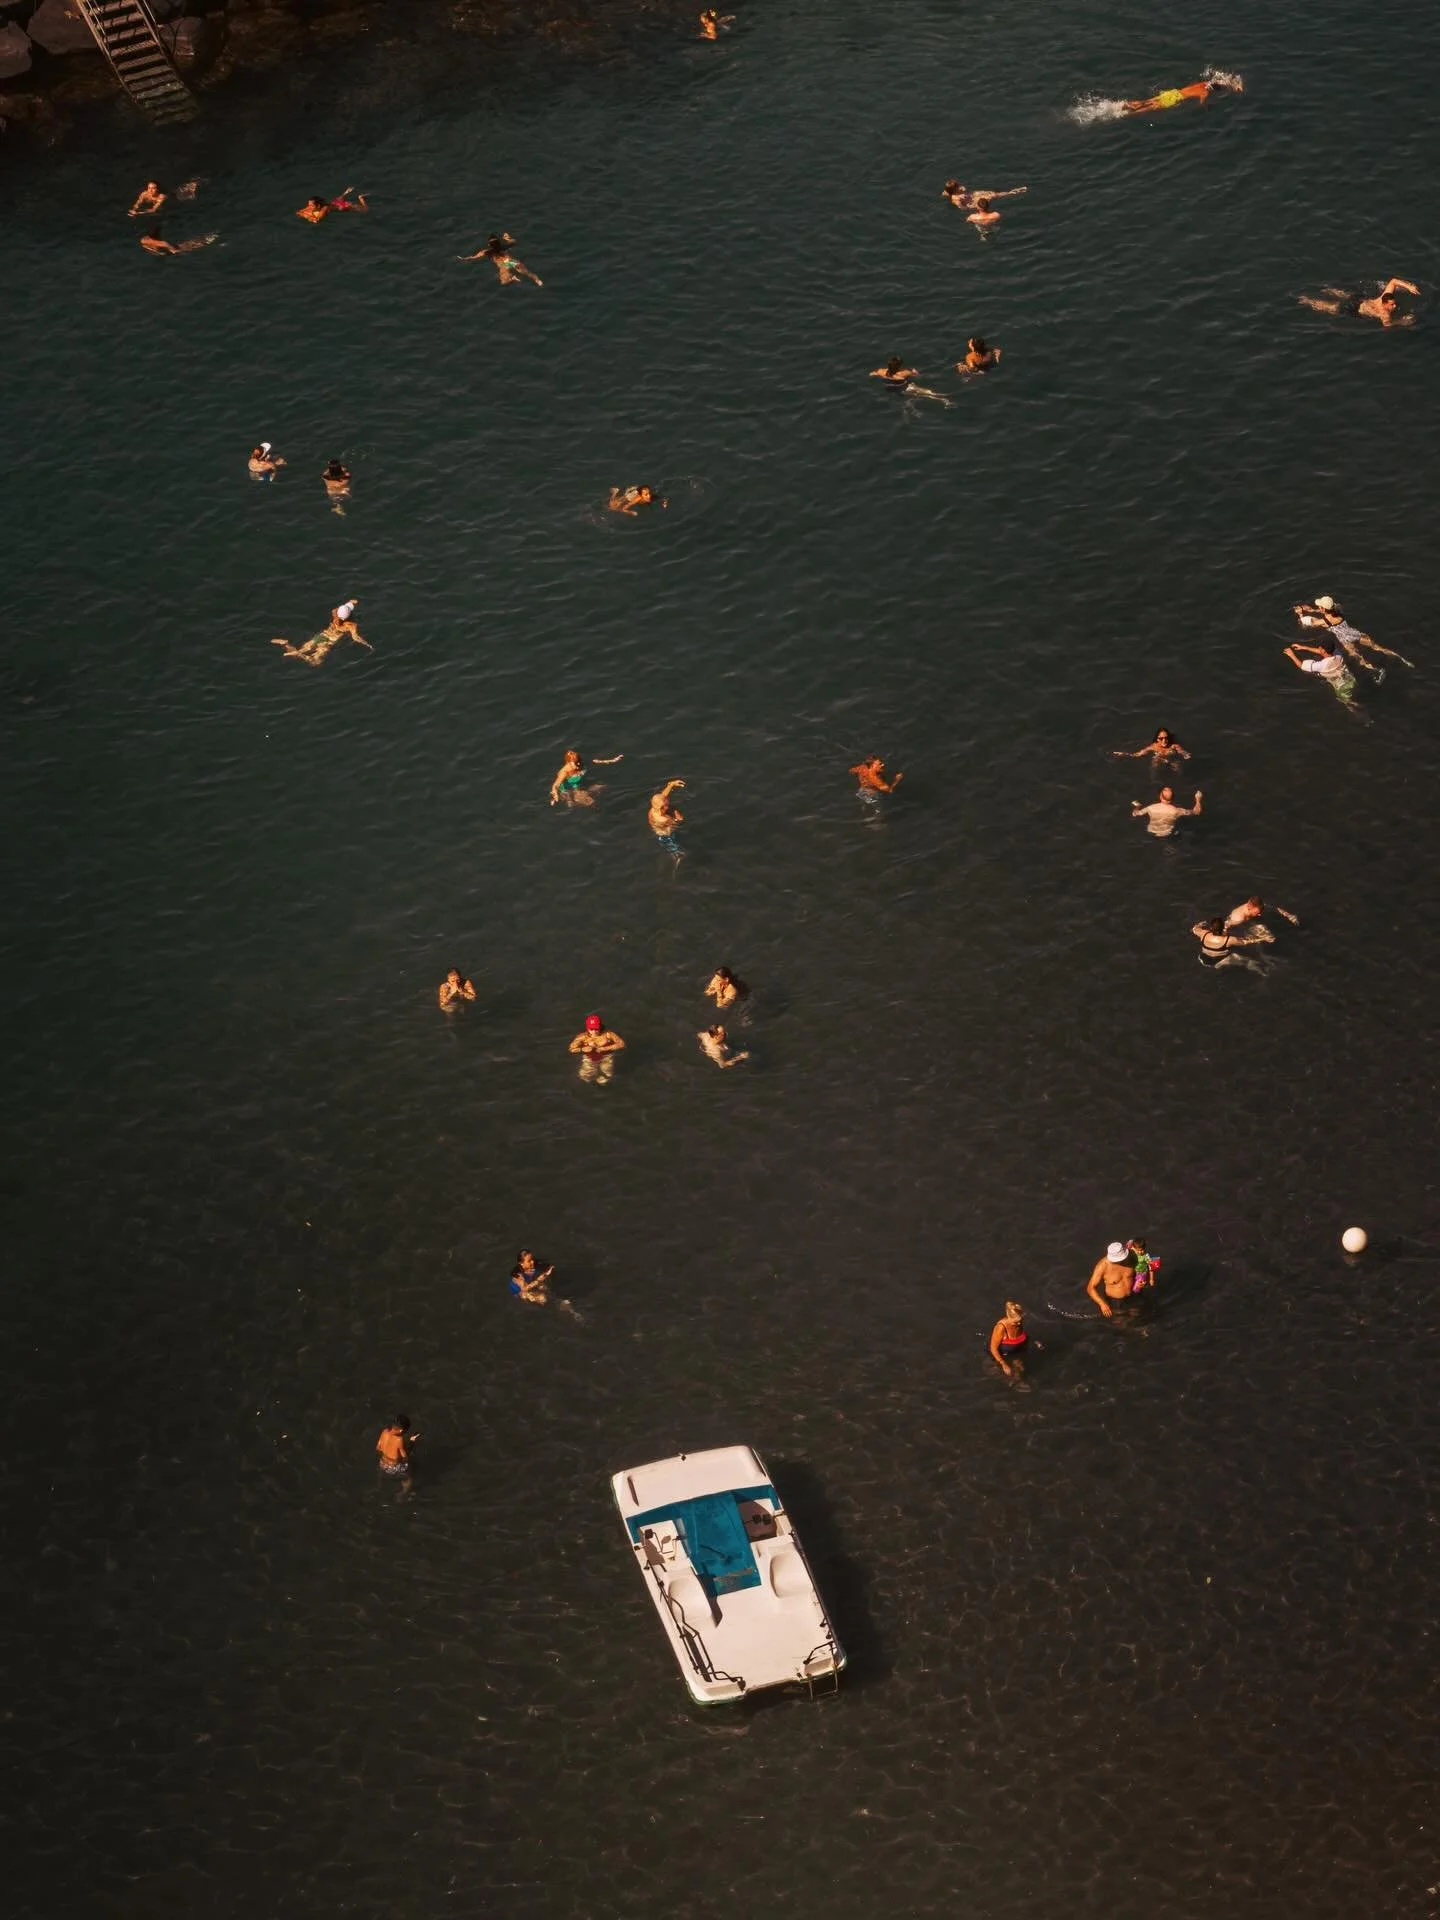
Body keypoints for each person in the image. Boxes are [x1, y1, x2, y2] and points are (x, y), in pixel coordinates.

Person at [1293, 596, 1413, 677]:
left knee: (1359, 658)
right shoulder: (1338, 609)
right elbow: (1324, 613)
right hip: (1354, 633)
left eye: (1320, 607)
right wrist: (1312, 610)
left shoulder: (1325, 620)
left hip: (1345, 639)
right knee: (1378, 647)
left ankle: (1377, 670)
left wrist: (1300, 614)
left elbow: (1310, 623)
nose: (1318, 608)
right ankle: (1402, 659)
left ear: (1324, 608)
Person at [1298, 277, 1419, 326]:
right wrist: (1402, 321)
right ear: (1384, 303)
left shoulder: (1384, 296)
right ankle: (1307, 301)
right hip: (1355, 309)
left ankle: (1328, 290)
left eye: (1394, 303)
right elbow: (1387, 325)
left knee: (1347, 295)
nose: (1395, 305)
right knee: (1333, 308)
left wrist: (1409, 287)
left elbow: (1393, 281)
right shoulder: (1384, 313)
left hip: (1361, 300)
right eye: (1392, 304)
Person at [1122, 74, 1243, 114]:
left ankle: (1128, 104)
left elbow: (1219, 81)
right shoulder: (1205, 93)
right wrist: (1207, 108)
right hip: (1176, 98)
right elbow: (1202, 103)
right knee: (1151, 108)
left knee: (1149, 100)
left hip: (1174, 92)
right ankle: (1128, 114)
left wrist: (1234, 84)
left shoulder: (1203, 84)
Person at [1283, 636, 1357, 701]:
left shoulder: (1321, 665)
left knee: (1349, 704)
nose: (1318, 648)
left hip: (1342, 688)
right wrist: (1304, 647)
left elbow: (1301, 666)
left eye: (1320, 648)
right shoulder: (1338, 655)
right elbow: (1322, 652)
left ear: (1324, 650)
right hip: (1351, 679)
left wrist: (1291, 655)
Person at [458, 233, 543, 286]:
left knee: (503, 282)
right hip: (511, 261)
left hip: (503, 265)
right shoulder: (503, 246)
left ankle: (512, 278)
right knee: (528, 273)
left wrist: (464, 258)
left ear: (489, 244)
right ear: (499, 242)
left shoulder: (487, 252)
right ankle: (538, 281)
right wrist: (507, 238)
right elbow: (514, 241)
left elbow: (474, 257)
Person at [1191, 917, 1269, 970]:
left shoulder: (1203, 934)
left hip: (1202, 959)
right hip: (1219, 962)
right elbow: (1245, 942)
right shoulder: (1229, 940)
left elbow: (1195, 929)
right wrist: (1261, 938)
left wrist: (1200, 924)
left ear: (1211, 928)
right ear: (1223, 928)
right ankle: (1262, 972)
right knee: (1248, 961)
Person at [569, 1012, 625, 1082]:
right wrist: (582, 1049)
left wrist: (605, 1048)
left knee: (606, 1075)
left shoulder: (608, 1034)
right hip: (589, 1058)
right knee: (584, 1076)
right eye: (591, 1029)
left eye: (596, 1029)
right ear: (587, 1028)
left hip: (606, 1057)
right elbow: (571, 1049)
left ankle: (602, 1085)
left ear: (600, 1027)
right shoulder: (582, 1037)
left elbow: (621, 1044)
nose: (594, 1031)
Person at [1087, 1242, 1137, 1317]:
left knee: (1137, 1317)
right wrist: (1102, 1304)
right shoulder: (1102, 1266)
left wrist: (1144, 1281)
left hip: (1133, 1295)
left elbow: (1142, 1271)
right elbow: (1090, 1288)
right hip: (1116, 1301)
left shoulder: (1131, 1257)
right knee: (1121, 1322)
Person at [1131, 785, 1202, 837]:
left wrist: (1137, 806)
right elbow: (1197, 812)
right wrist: (1198, 799)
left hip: (1151, 832)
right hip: (1168, 833)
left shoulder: (1150, 808)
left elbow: (1135, 814)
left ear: (1160, 796)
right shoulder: (1177, 811)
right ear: (1172, 798)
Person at [376, 1415, 418, 1495]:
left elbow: (378, 1448)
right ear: (401, 1430)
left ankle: (379, 1487)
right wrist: (412, 1441)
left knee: (381, 1475)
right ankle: (401, 1495)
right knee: (408, 1479)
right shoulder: (399, 1440)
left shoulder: (384, 1431)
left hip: (382, 1463)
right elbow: (405, 1457)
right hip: (394, 1467)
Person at [1111, 726, 1190, 766]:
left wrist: (1185, 754)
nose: (1164, 740)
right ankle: (1154, 781)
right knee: (1154, 763)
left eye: (1166, 738)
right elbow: (1137, 755)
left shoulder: (1174, 746)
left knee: (1177, 767)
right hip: (1159, 761)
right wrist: (1123, 754)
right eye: (1161, 738)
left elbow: (1183, 752)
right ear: (1157, 739)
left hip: (1171, 761)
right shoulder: (1153, 747)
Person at [988, 1300, 1029, 1377]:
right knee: (1008, 1374)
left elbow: (1022, 1336)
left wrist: (1034, 1342)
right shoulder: (1000, 1328)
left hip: (1014, 1351)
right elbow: (993, 1349)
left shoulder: (1018, 1323)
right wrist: (1003, 1364)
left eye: (1020, 1321)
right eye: (1016, 1322)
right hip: (999, 1355)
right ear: (1009, 1318)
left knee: (1021, 1371)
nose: (1019, 1324)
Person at [649, 778, 686, 854]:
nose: (668, 804)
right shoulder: (663, 819)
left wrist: (671, 785)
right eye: (667, 804)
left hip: (662, 826)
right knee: (676, 850)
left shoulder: (653, 808)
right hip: (666, 834)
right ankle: (677, 856)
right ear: (662, 808)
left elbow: (663, 796)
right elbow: (679, 821)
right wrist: (675, 812)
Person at [1224, 896, 1299, 933]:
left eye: (1260, 912)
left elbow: (1275, 909)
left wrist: (1289, 916)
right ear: (1250, 908)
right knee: (1263, 929)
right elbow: (1225, 926)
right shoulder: (1238, 917)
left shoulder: (1259, 906)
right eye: (1257, 913)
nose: (1260, 915)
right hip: (1241, 926)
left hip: (1248, 921)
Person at [942, 180, 1026, 210]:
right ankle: (1010, 193)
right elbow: (963, 208)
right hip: (971, 202)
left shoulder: (950, 191)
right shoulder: (956, 199)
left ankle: (1009, 192)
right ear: (954, 189)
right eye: (958, 186)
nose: (960, 186)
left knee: (990, 193)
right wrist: (974, 205)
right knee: (992, 196)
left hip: (973, 194)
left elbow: (945, 192)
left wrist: (964, 190)